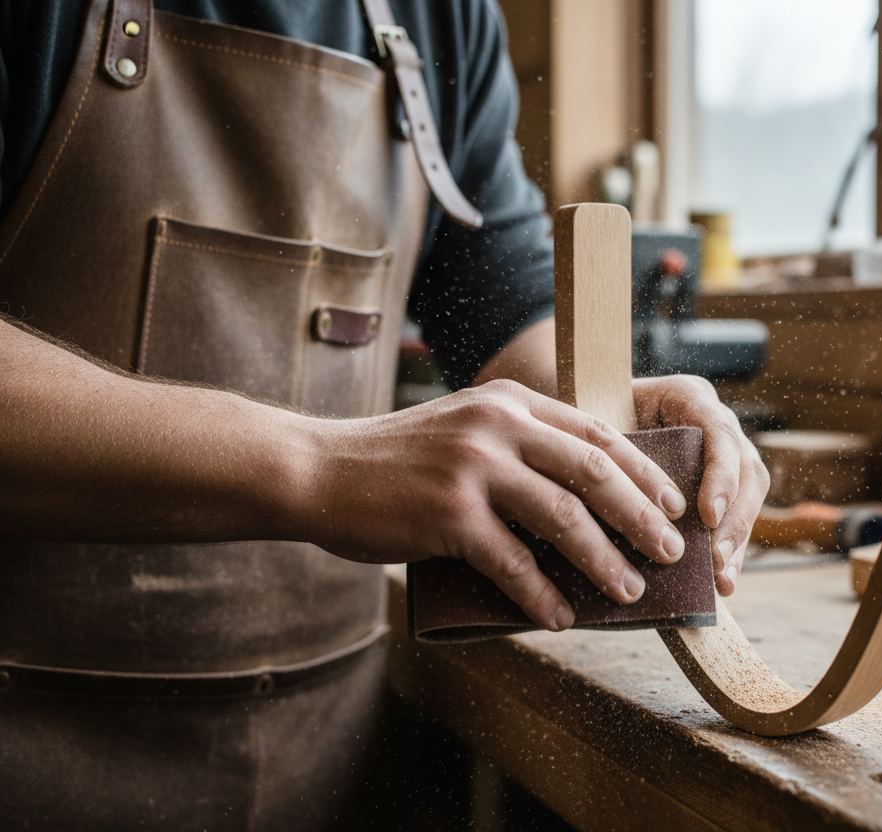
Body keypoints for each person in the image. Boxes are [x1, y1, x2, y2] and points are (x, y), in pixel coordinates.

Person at [0, 0, 767, 827]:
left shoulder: (440, 17)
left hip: (328, 735)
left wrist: (608, 414)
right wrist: (319, 468)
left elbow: (504, 310)